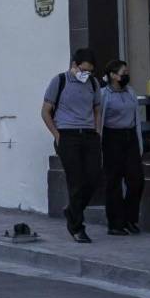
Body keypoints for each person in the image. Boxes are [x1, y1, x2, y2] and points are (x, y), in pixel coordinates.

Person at [41, 47, 103, 244]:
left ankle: (72, 211)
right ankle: (77, 226)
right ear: (74, 65)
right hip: (67, 135)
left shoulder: (92, 83)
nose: (87, 74)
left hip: (89, 135)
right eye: (84, 70)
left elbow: (97, 109)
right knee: (76, 181)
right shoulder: (59, 81)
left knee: (94, 178)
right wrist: (57, 135)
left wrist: (97, 131)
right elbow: (45, 111)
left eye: (91, 71)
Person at [101, 59, 145, 236]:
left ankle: (130, 218)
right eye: (123, 73)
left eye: (127, 72)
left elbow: (135, 116)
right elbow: (99, 118)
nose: (126, 76)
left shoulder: (130, 92)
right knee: (113, 181)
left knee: (137, 180)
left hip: (130, 136)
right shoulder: (104, 94)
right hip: (112, 137)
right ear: (112, 75)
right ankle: (115, 223)